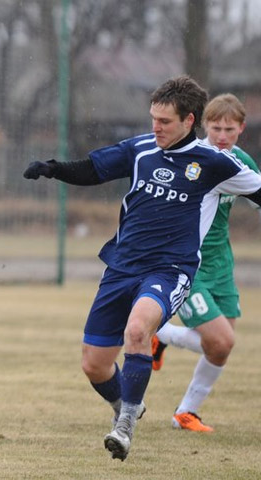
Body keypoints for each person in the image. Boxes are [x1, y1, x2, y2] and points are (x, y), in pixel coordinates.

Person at [23, 76, 261, 461]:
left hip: (170, 270)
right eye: (153, 118)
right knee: (95, 364)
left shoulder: (215, 163)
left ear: (189, 120)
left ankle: (125, 425)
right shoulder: (140, 149)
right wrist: (52, 168)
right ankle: (127, 404)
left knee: (138, 329)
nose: (156, 127)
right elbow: (92, 169)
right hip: (121, 266)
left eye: (164, 121)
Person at [150, 93, 261, 432]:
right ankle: (161, 331)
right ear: (202, 126)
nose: (222, 136)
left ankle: (186, 412)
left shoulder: (241, 162)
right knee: (221, 341)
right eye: (215, 128)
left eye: (229, 129)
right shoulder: (193, 158)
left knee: (220, 348)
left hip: (221, 263)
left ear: (242, 128)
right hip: (188, 264)